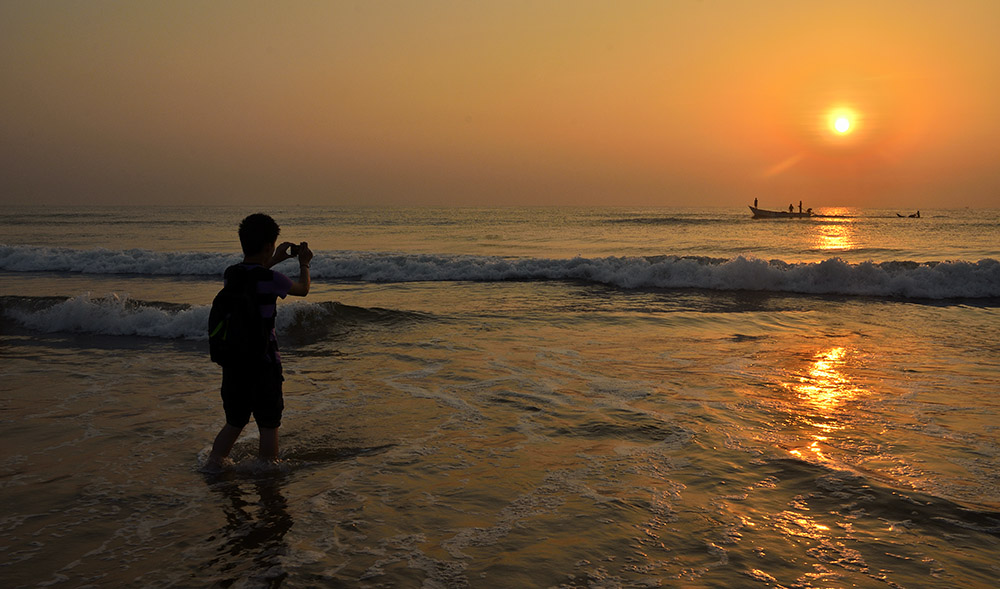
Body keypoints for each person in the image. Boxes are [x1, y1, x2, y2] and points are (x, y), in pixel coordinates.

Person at [205, 213, 313, 471]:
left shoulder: (231, 274)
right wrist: (304, 264)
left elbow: (253, 276)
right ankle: (267, 474)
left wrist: (274, 260)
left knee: (235, 420)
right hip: (264, 364)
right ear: (268, 246)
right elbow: (303, 288)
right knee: (268, 423)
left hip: (234, 363)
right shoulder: (272, 280)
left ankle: (213, 466)